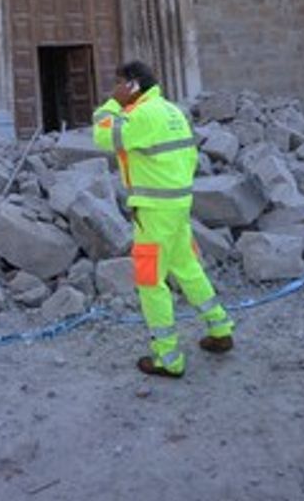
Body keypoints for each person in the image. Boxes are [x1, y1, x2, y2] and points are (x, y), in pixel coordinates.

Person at [92, 60, 234, 378]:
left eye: (118, 82)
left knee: (150, 280)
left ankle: (167, 358)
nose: (113, 88)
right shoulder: (172, 111)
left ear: (132, 85)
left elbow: (103, 137)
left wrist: (111, 104)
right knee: (186, 266)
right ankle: (220, 327)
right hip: (178, 205)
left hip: (154, 211)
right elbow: (188, 156)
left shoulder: (142, 114)